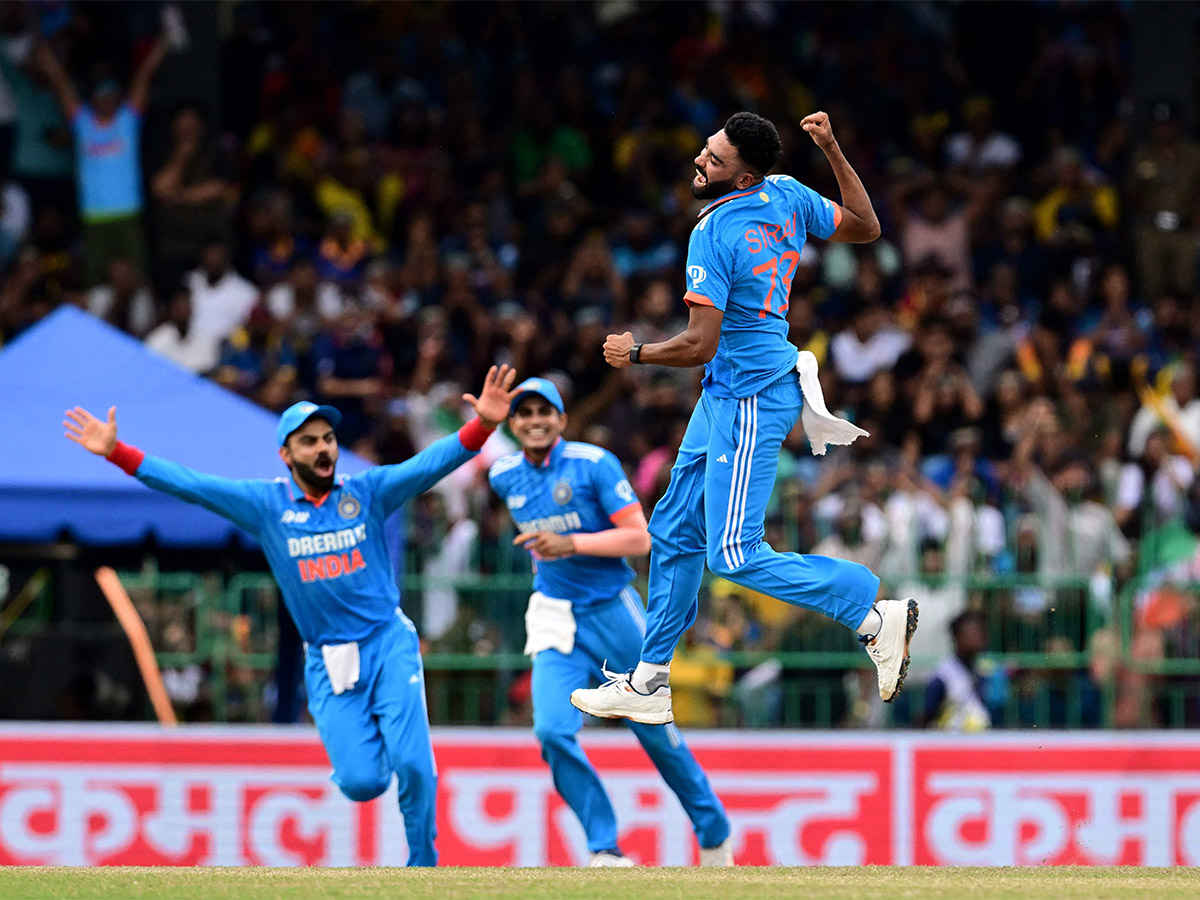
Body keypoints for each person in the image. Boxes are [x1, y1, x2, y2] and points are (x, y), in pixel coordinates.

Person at [63, 365, 519, 867]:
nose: (323, 449)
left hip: (387, 641)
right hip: (328, 660)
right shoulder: (267, 505)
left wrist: (482, 427)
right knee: (362, 783)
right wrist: (118, 453)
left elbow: (426, 465)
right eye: (309, 443)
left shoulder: (365, 492)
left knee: (412, 762)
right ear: (286, 455)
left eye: (327, 439)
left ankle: (423, 866)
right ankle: (373, 756)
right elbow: (192, 485)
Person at [571, 111, 917, 725]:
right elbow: (865, 225)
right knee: (675, 528)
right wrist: (833, 148)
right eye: (705, 148)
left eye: (714, 158)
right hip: (728, 391)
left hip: (751, 395)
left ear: (741, 177)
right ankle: (649, 681)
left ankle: (869, 613)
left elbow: (698, 343)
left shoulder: (712, 233)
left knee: (732, 554)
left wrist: (637, 353)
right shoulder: (784, 192)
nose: (700, 160)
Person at [488, 377, 732, 867]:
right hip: (556, 616)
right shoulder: (503, 474)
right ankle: (604, 847)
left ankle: (714, 832)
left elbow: (639, 539)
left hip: (612, 614)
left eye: (545, 412)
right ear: (513, 424)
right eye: (525, 414)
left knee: (656, 735)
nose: (535, 421)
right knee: (553, 732)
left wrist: (572, 545)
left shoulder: (593, 464)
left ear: (561, 419)